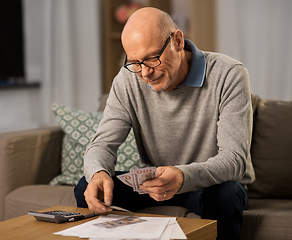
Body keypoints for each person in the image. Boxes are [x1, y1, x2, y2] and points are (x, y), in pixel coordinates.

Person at [74, 7, 255, 240]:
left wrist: (182, 175)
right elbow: (102, 144)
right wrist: (98, 173)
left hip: (209, 184)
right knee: (87, 187)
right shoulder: (128, 80)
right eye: (135, 63)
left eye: (151, 58)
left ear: (177, 41)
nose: (145, 73)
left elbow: (234, 160)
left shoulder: (229, 74)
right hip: (156, 184)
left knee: (225, 195)